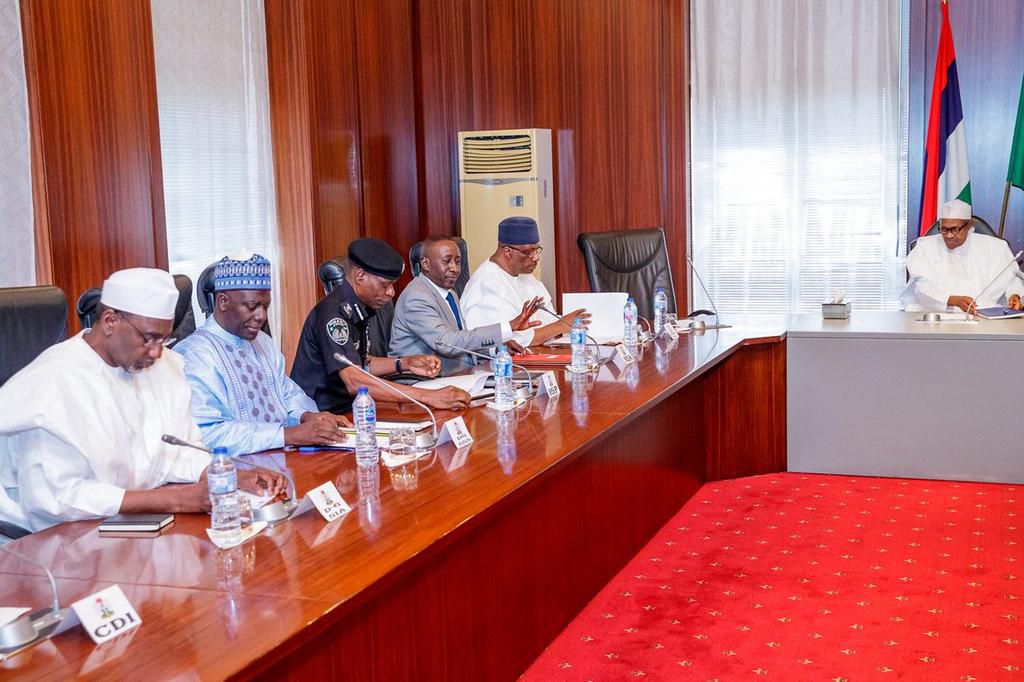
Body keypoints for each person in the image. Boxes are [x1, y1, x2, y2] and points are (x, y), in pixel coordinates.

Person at [0, 268, 286, 534]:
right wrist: (174, 499)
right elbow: (57, 500)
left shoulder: (163, 366)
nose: (155, 353)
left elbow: (178, 449)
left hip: (130, 525)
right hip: (49, 540)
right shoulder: (52, 384)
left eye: (163, 340)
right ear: (110, 320)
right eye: (148, 338)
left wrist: (226, 475)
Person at [176, 254, 351, 456]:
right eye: (252, 307)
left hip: (283, 457)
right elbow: (209, 434)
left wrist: (308, 417)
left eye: (265, 306)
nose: (261, 316)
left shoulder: (262, 341)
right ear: (223, 301)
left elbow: (287, 395)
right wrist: (289, 435)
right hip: (238, 470)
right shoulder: (195, 355)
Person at [291, 238, 472, 414]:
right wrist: (428, 396)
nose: (391, 292)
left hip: (352, 409)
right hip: (320, 416)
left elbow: (362, 362)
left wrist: (405, 363)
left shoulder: (358, 306)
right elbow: (354, 380)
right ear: (360, 276)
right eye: (385, 285)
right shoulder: (333, 315)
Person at [389, 236, 543, 374]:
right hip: (425, 382)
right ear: (426, 263)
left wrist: (495, 349)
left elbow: (462, 340)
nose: (455, 268)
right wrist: (508, 327)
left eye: (457, 261)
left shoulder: (449, 293)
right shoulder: (417, 297)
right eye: (446, 261)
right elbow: (447, 343)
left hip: (458, 375)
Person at [461, 216, 589, 347]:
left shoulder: (526, 276)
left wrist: (564, 324)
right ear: (508, 252)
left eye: (537, 250)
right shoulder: (485, 286)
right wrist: (560, 326)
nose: (536, 257)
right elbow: (511, 341)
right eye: (529, 252)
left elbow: (550, 320)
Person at [902, 199, 1024, 313]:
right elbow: (921, 289)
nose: (948, 235)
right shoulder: (925, 247)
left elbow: (1010, 280)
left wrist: (1015, 295)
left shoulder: (995, 247)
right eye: (944, 229)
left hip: (984, 316)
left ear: (969, 225)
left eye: (955, 229)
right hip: (938, 315)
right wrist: (953, 300)